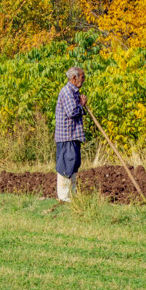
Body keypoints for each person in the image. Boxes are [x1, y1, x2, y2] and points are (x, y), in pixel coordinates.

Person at [54, 66, 88, 201]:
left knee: (73, 164)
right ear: (74, 78)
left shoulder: (74, 92)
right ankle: (64, 197)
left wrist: (80, 103)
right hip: (67, 136)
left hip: (73, 135)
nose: (84, 80)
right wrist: (81, 104)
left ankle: (72, 195)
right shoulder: (67, 92)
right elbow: (72, 112)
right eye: (82, 77)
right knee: (66, 165)